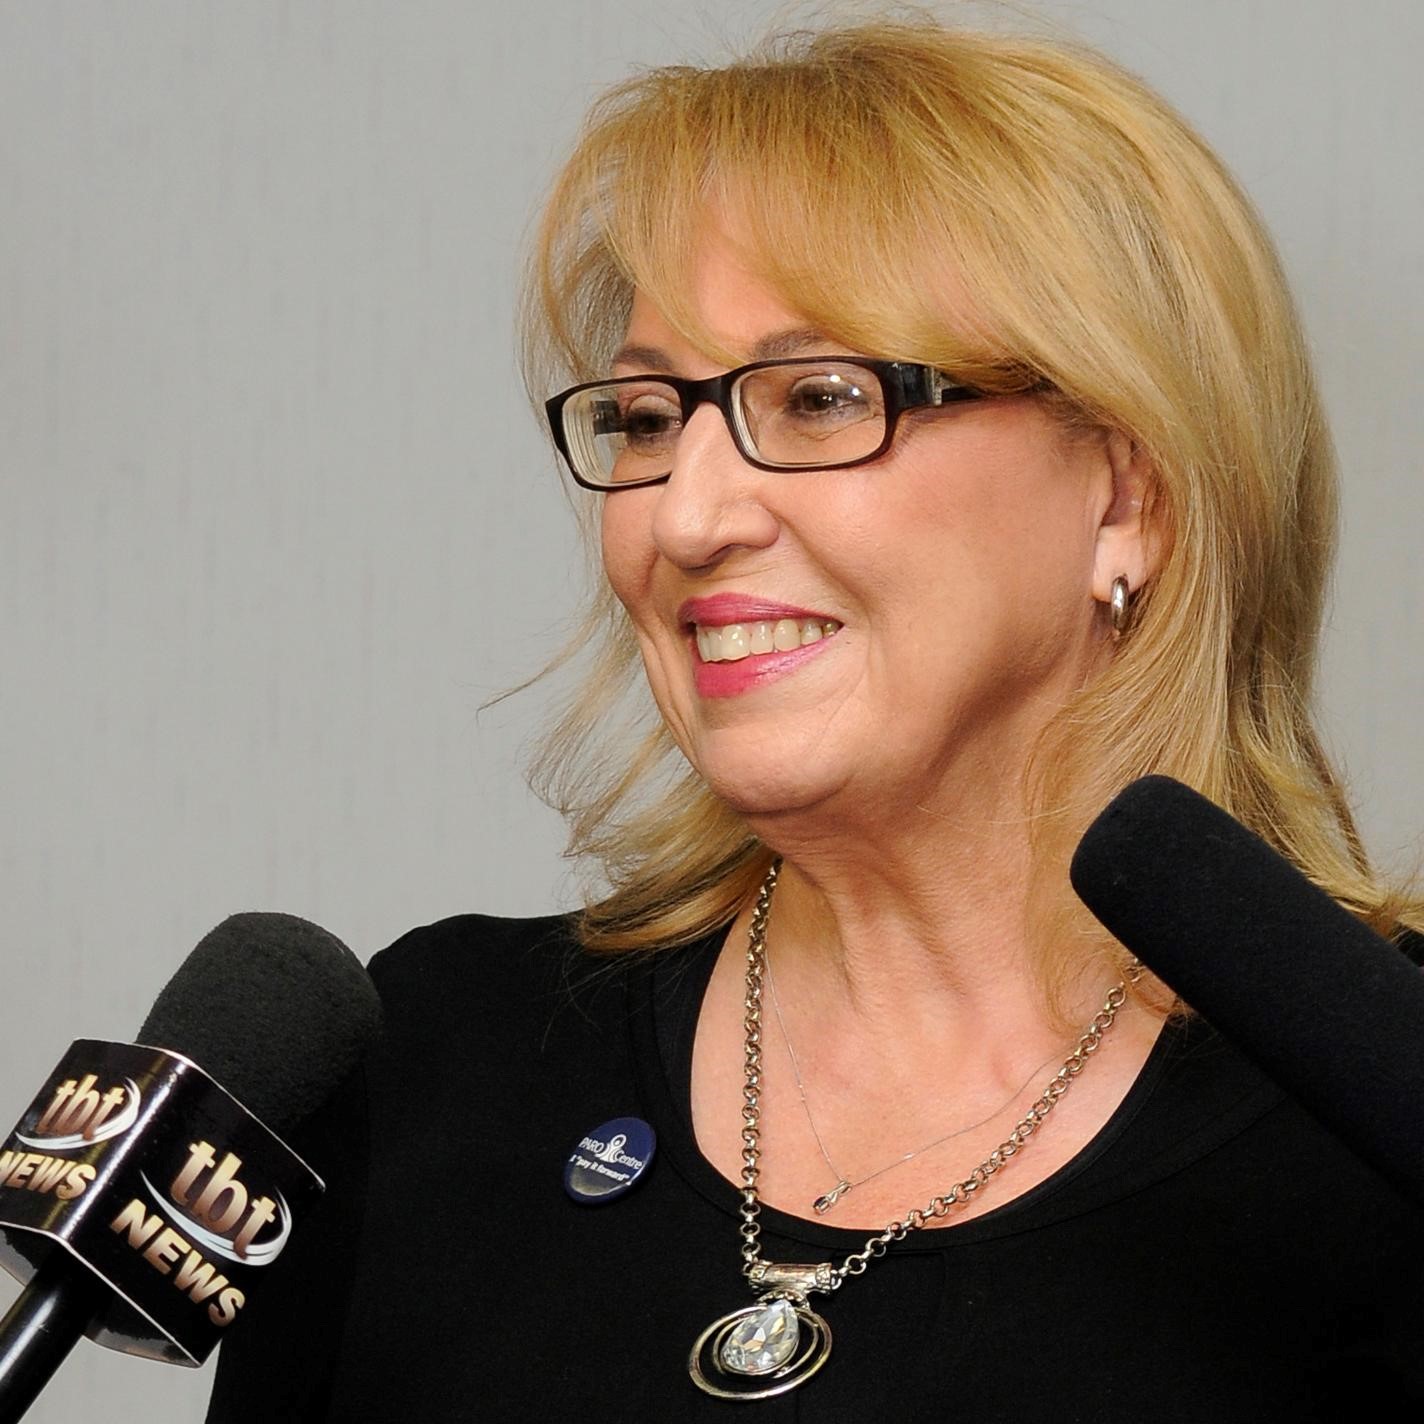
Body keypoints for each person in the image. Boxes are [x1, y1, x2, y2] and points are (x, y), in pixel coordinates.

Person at [207, 16, 1424, 1420]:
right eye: (653, 417)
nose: (688, 515)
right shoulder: (431, 1060)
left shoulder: (1383, 1124)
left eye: (824, 396)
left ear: (1125, 493)